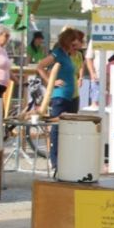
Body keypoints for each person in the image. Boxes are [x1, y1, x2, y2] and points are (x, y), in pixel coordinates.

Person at [35, 27, 80, 173]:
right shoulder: (58, 53)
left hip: (71, 97)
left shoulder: (68, 55)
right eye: (74, 42)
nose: (77, 44)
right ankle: (55, 162)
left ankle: (66, 161)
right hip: (60, 97)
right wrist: (51, 81)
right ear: (68, 41)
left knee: (69, 129)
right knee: (57, 128)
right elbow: (40, 66)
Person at [0, 26, 13, 99]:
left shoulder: (3, 50)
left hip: (1, 86)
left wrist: (18, 82)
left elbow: (7, 69)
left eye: (8, 36)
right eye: (6, 36)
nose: (8, 39)